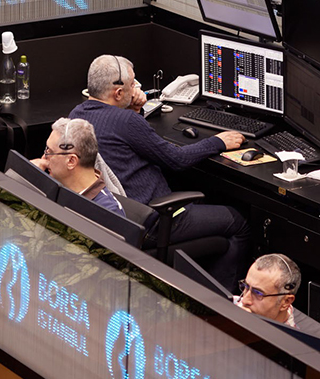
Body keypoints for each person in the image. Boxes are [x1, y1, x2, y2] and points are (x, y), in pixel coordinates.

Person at [70, 54, 249, 285]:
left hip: (123, 217)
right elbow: (177, 159)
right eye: (133, 84)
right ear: (118, 93)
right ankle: (219, 302)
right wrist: (218, 141)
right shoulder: (126, 121)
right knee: (238, 222)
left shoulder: (76, 116)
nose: (137, 88)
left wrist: (134, 110)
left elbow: (123, 140)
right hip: (155, 221)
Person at [235, 253, 320, 343]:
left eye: (258, 293)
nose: (245, 300)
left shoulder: (303, 345)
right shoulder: (230, 305)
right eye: (245, 287)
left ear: (286, 301)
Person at [32, 117, 123, 217]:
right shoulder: (58, 189)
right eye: (46, 149)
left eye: (50, 152)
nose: (44, 158)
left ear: (71, 161)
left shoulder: (107, 213)